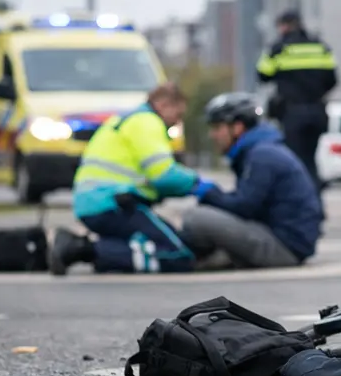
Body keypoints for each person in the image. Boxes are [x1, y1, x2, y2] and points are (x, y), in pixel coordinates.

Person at [49, 83, 211, 275]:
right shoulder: (147, 122)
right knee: (178, 255)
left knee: (169, 239)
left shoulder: (127, 119)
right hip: (115, 205)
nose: (177, 121)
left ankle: (100, 252)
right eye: (178, 114)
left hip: (95, 203)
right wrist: (200, 184)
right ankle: (82, 249)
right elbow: (163, 175)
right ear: (163, 104)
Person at [180, 92, 322, 269]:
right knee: (205, 217)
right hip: (285, 242)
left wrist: (209, 192)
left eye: (217, 127)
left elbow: (244, 206)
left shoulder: (261, 156)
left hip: (284, 248)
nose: (212, 135)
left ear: (237, 127)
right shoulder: (259, 150)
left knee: (196, 218)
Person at [256, 10, 337, 195]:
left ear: (284, 26)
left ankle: (302, 202)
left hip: (292, 113)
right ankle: (315, 199)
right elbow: (332, 80)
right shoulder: (320, 47)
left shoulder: (279, 48)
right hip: (317, 112)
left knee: (294, 161)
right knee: (310, 160)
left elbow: (262, 75)